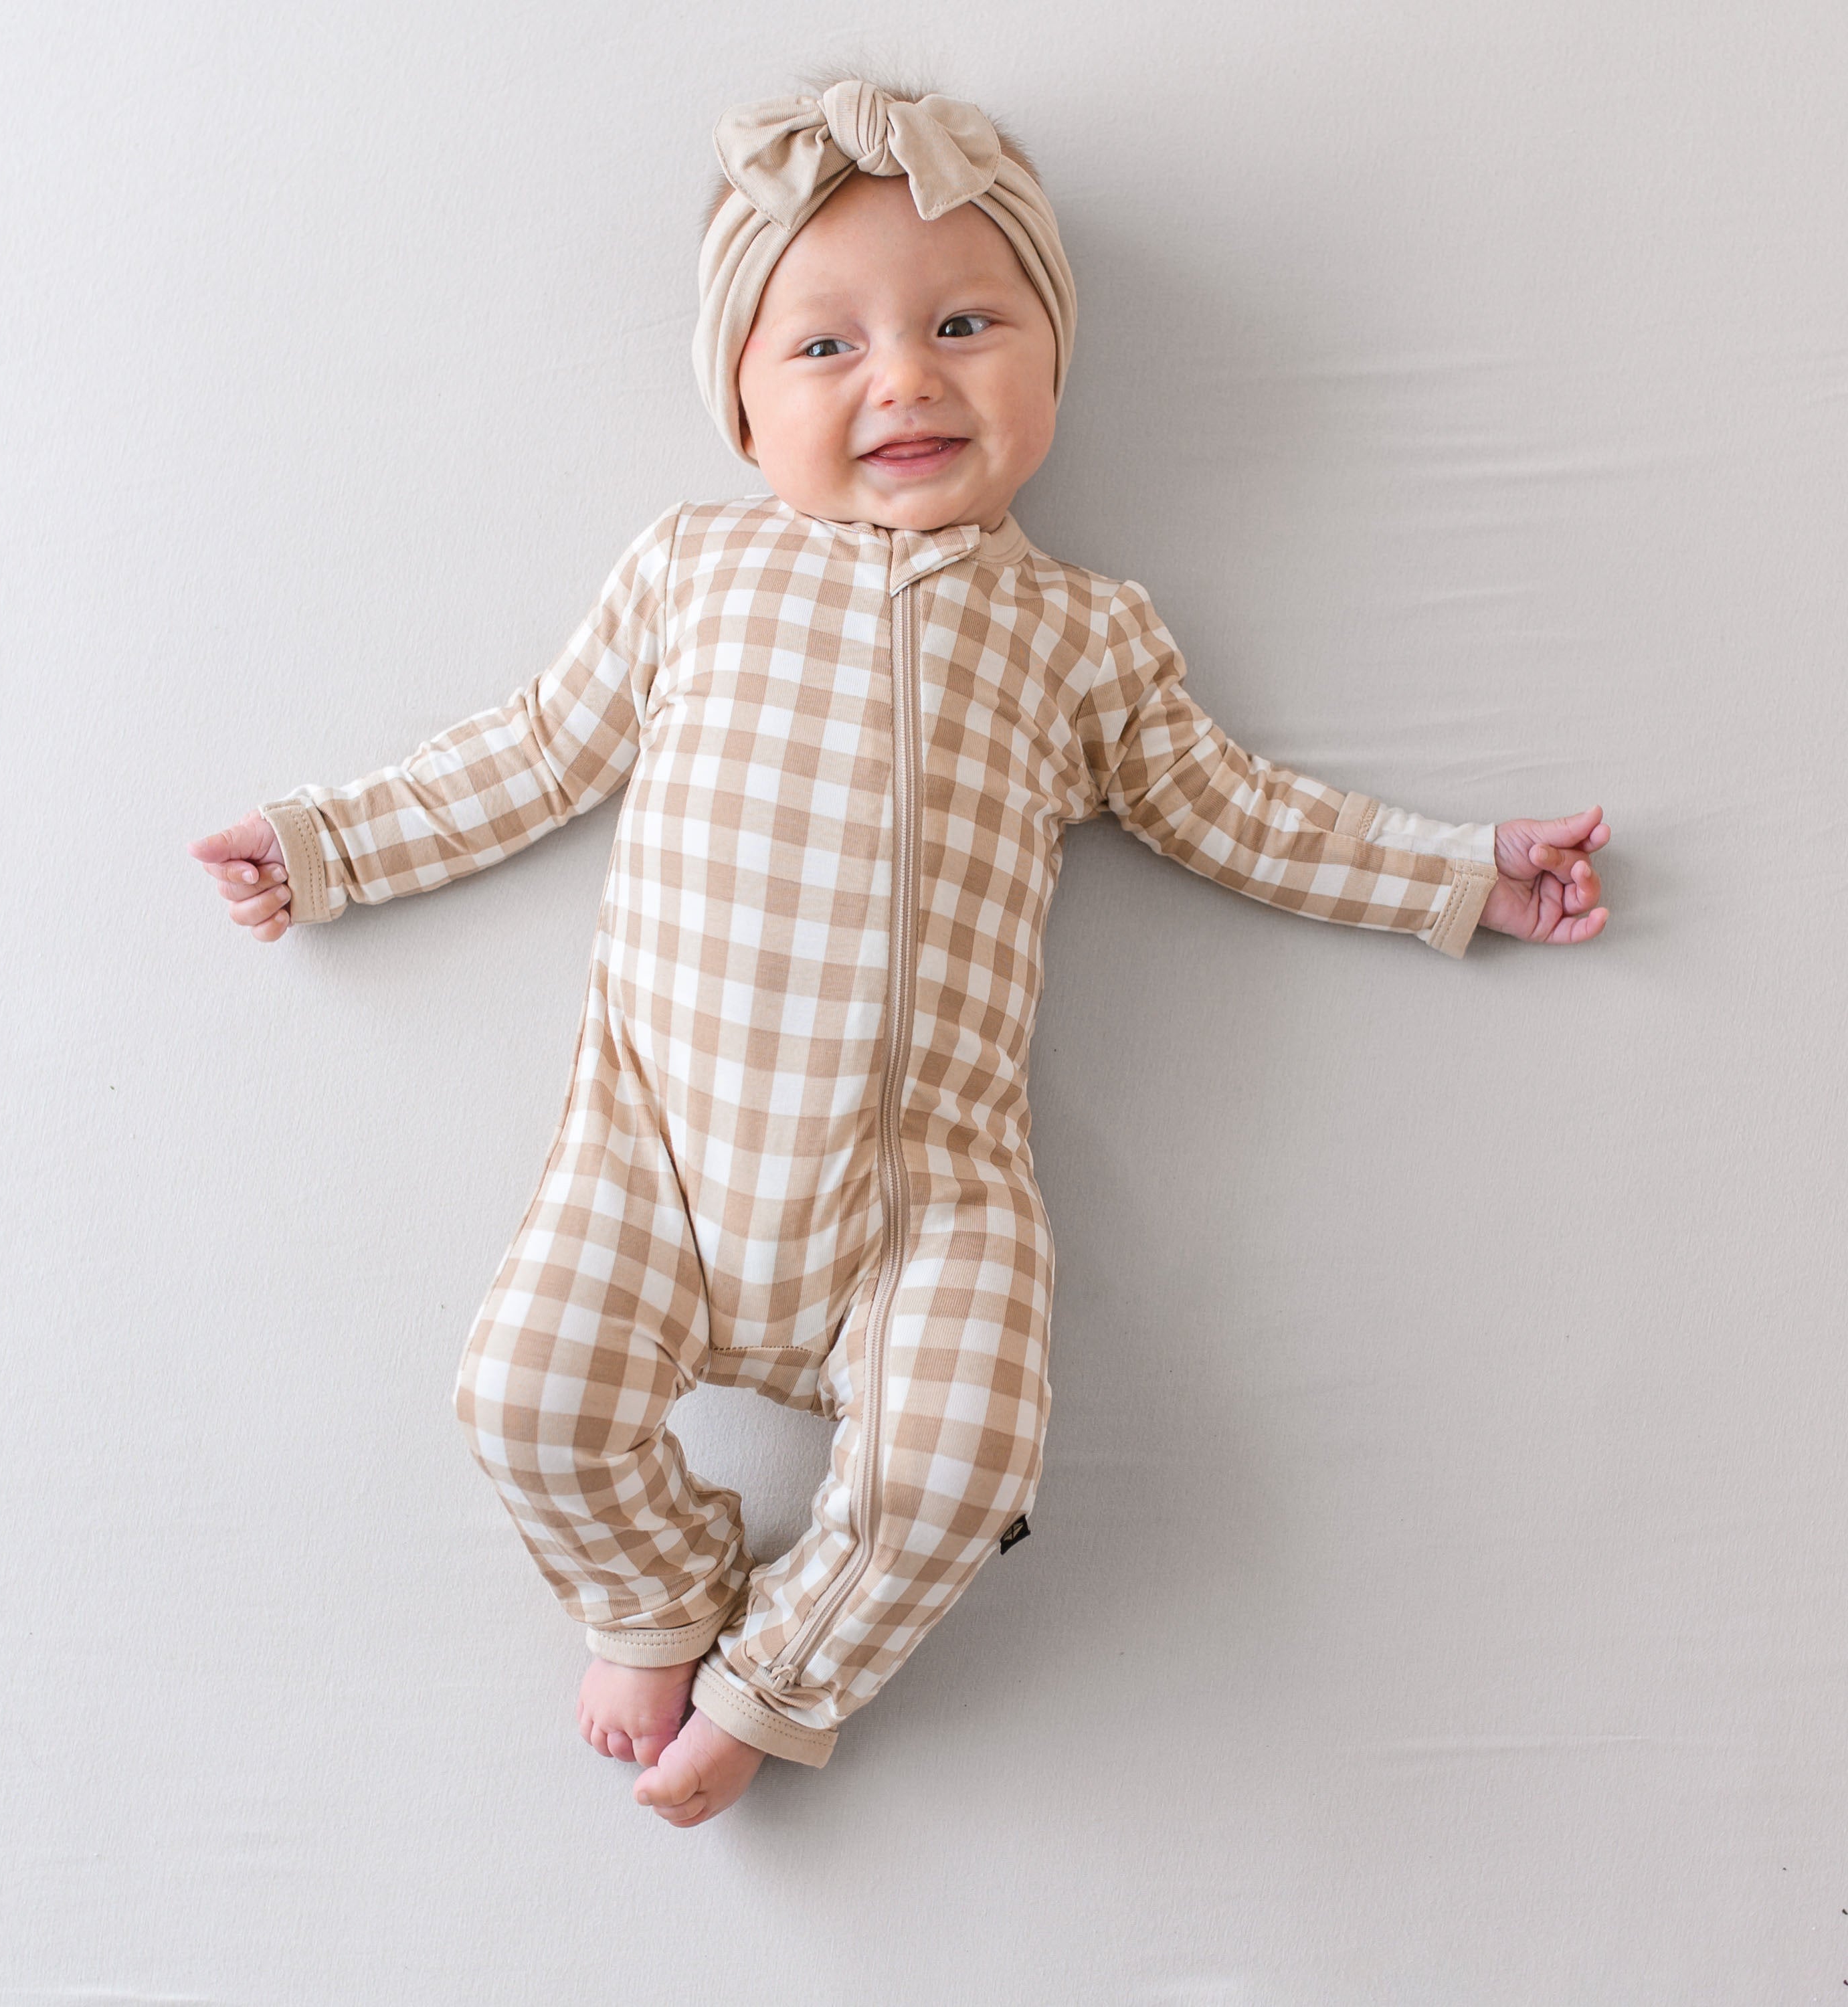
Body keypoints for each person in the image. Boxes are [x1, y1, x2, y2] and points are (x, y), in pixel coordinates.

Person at [189, 80, 1608, 1828]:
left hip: (923, 1190)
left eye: (964, 325)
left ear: (1052, 368)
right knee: (522, 1393)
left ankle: (782, 1679)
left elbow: (1239, 812)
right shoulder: (692, 578)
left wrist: (1459, 876)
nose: (907, 380)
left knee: (961, 1460)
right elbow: (528, 757)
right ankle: (651, 1595)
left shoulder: (1081, 635)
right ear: (738, 403)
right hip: (657, 1165)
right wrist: (329, 848)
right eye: (827, 347)